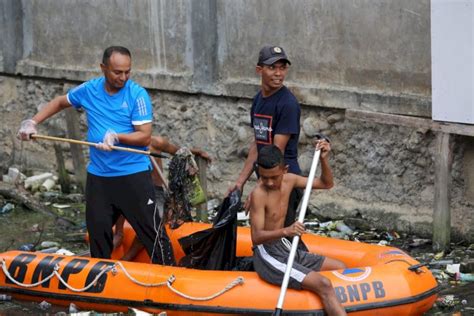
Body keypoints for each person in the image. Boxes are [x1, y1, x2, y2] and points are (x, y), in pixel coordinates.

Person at [18, 46, 170, 264]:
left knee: (152, 233)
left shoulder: (137, 95)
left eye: (128, 71)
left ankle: (169, 273)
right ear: (103, 68)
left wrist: (116, 136)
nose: (123, 77)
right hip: (99, 178)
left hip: (133, 175)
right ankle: (101, 280)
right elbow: (61, 102)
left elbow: (145, 137)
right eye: (118, 72)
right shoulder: (90, 90)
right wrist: (33, 122)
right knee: (98, 234)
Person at [250, 144, 346, 316]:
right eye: (264, 178)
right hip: (267, 253)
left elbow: (326, 183)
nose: (270, 183)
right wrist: (286, 231)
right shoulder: (259, 194)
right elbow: (256, 237)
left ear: (284, 169)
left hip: (285, 246)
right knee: (323, 284)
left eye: (274, 177)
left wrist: (324, 160)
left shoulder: (291, 180)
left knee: (340, 267)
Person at [229, 45, 302, 228]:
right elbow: (258, 144)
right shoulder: (258, 100)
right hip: (268, 179)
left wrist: (258, 189)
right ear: (259, 70)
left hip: (283, 180)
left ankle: (301, 257)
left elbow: (276, 152)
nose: (278, 73)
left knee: (280, 234)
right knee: (268, 235)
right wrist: (240, 183)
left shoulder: (288, 104)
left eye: (282, 68)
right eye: (272, 68)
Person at [113, 135, 211, 261]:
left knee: (153, 223)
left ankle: (127, 258)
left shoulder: (155, 142)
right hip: (132, 192)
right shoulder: (123, 147)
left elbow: (178, 151)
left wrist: (196, 152)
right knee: (120, 199)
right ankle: (119, 233)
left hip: (154, 193)